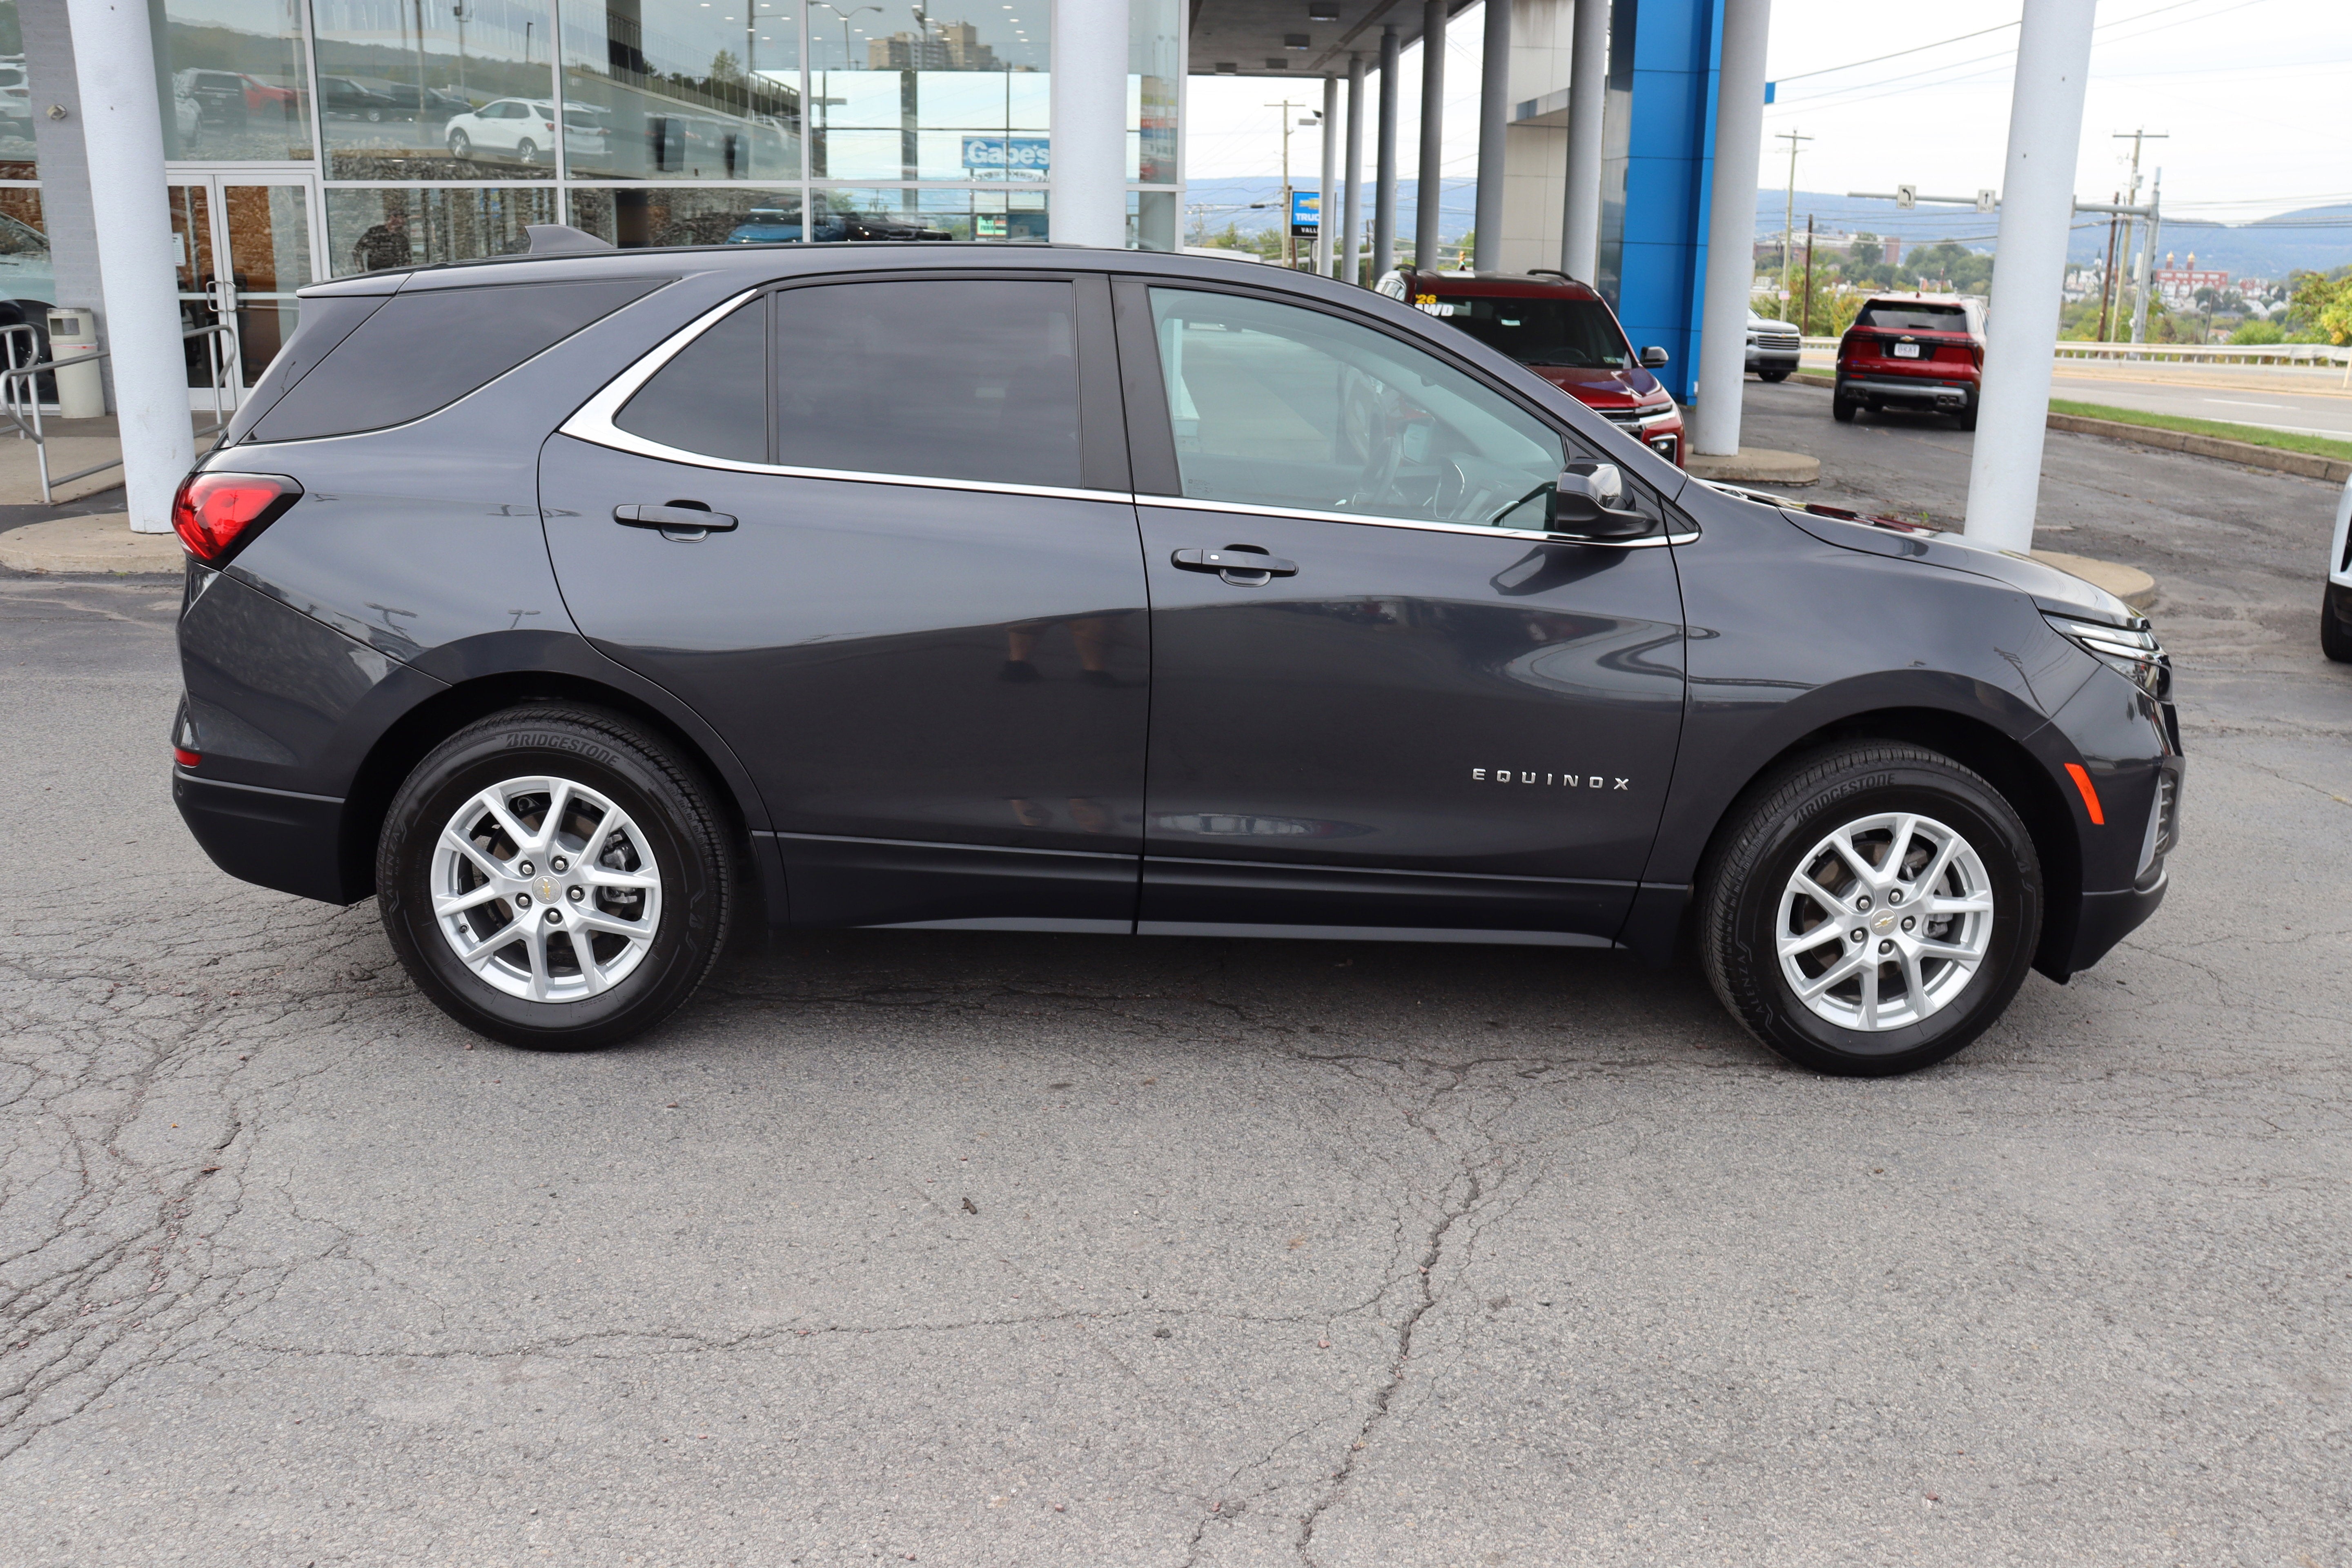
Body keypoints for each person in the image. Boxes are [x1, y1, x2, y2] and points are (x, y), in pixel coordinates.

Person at [351, 209, 412, 273]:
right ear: (393, 218)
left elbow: (408, 261)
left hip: (397, 276)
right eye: (402, 218)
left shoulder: (402, 238)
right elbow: (357, 252)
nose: (404, 221)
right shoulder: (374, 233)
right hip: (377, 275)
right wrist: (362, 272)